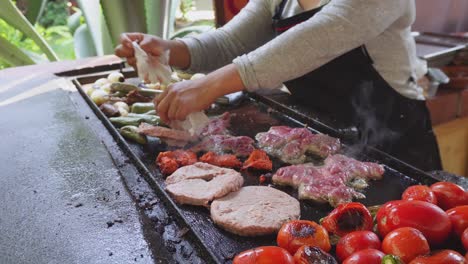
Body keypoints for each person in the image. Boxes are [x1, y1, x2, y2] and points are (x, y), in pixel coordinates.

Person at [115, 0, 442, 171]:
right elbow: (232, 42)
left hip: (394, 141)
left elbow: (318, 38)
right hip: (317, 138)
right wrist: (171, 50)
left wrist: (209, 86)